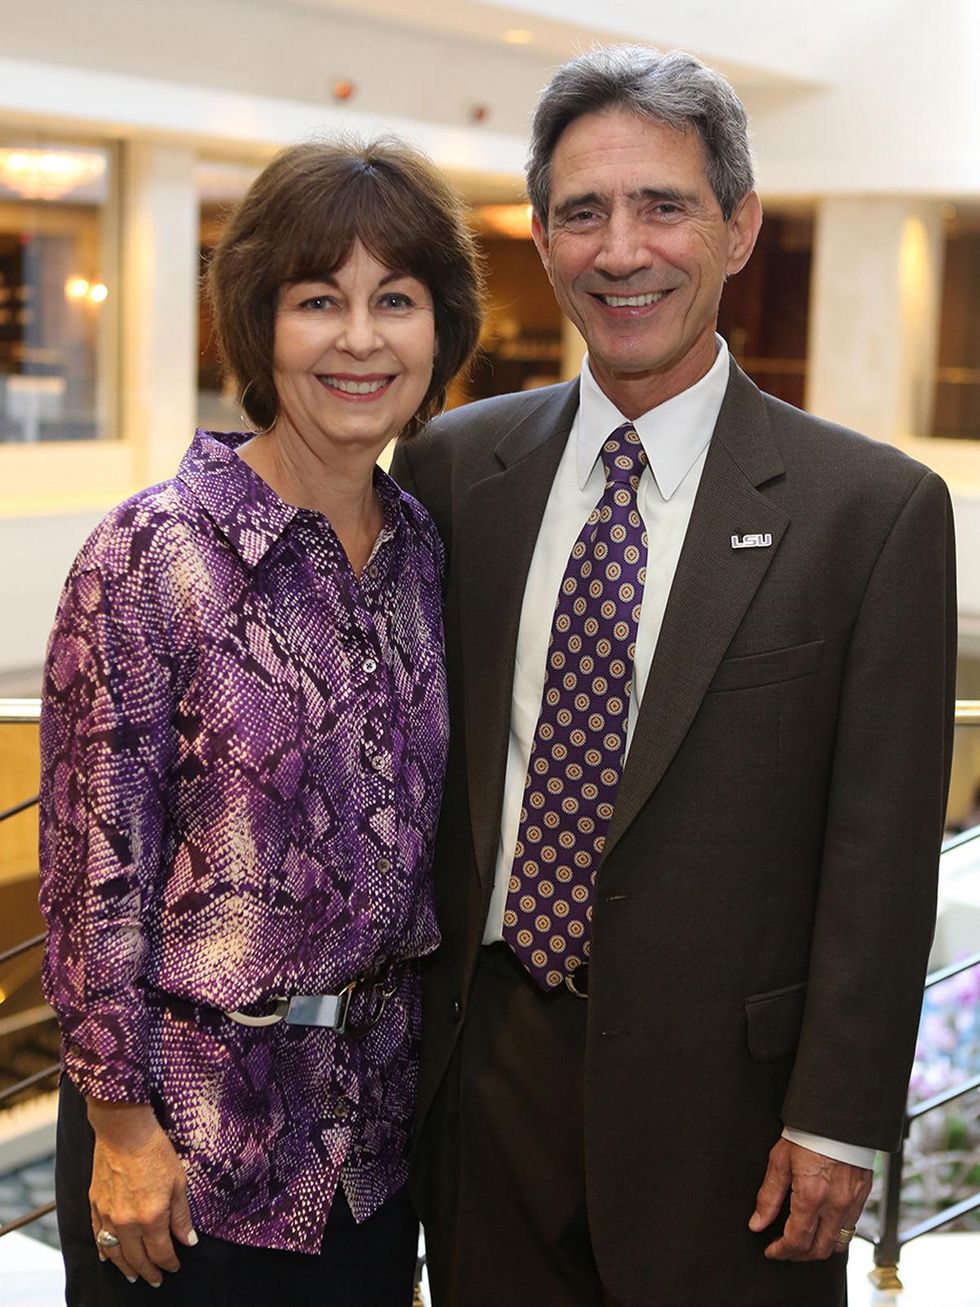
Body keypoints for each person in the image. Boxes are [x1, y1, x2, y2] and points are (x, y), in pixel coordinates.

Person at [391, 46, 957, 1307]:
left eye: (662, 206)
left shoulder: (869, 510)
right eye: (581, 212)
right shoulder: (454, 470)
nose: (620, 250)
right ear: (542, 240)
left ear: (737, 227)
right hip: (486, 1081)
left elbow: (879, 847)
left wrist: (836, 1114)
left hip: (734, 1120)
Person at [38, 137, 481, 1304]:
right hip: (184, 1153)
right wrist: (119, 1126)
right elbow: (91, 873)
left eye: (395, 299)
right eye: (317, 300)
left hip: (370, 1159)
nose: (359, 339)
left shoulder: (425, 554)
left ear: (440, 330)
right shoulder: (151, 555)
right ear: (257, 323)